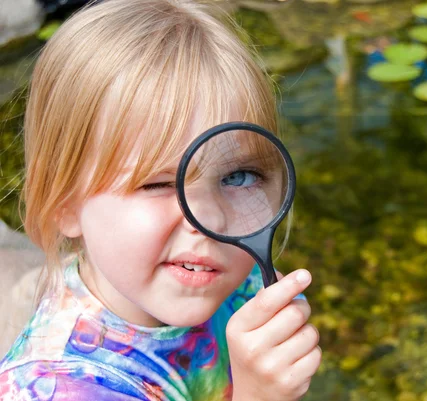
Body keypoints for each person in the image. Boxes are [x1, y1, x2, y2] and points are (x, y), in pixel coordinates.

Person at [0, 0, 321, 399]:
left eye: (238, 176)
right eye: (157, 183)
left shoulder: (240, 283)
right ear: (65, 202)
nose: (211, 219)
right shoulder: (54, 387)